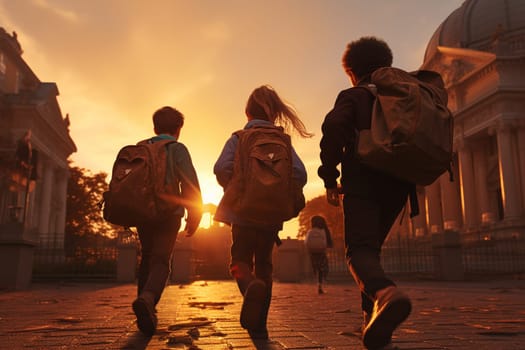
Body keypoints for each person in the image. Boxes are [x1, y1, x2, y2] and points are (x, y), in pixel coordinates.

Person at [318, 37, 412, 350]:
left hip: (363, 181)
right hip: (400, 185)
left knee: (358, 251)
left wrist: (329, 176)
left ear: (352, 72)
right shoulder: (405, 97)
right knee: (370, 251)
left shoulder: (356, 95)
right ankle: (370, 324)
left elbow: (334, 128)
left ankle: (386, 294)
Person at [214, 85, 312, 340]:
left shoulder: (238, 138)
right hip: (271, 217)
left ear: (247, 112)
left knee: (239, 261)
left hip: (243, 214)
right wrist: (278, 192)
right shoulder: (282, 141)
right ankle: (261, 324)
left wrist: (237, 188)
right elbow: (300, 174)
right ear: (274, 115)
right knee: (265, 265)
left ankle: (250, 286)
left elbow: (221, 168)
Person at [132, 106, 203, 337]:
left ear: (155, 127)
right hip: (169, 214)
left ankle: (145, 314)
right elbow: (190, 183)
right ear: (178, 129)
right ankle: (148, 299)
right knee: (162, 260)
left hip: (143, 212)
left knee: (147, 258)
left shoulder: (141, 147)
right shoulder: (177, 149)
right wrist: (194, 215)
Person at [304, 215, 333, 294]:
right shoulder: (323, 231)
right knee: (322, 268)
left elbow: (306, 242)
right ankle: (320, 283)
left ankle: (316, 279)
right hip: (321, 252)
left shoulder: (310, 231)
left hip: (313, 253)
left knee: (316, 268)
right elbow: (327, 243)